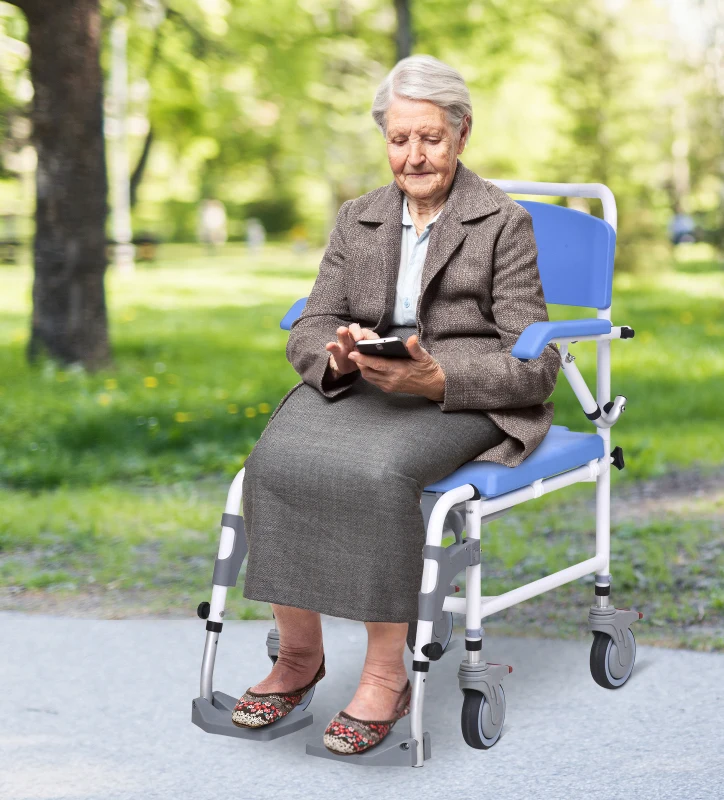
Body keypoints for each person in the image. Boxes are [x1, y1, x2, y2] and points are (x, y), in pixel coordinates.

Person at [232, 54, 561, 755]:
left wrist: (438, 379)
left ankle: (389, 672)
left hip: (457, 396)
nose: (413, 156)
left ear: (462, 135)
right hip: (367, 383)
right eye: (399, 138)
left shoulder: (503, 222)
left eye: (431, 139)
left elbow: (534, 363)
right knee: (274, 461)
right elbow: (314, 320)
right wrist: (337, 353)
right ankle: (299, 656)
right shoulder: (359, 219)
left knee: (380, 477)